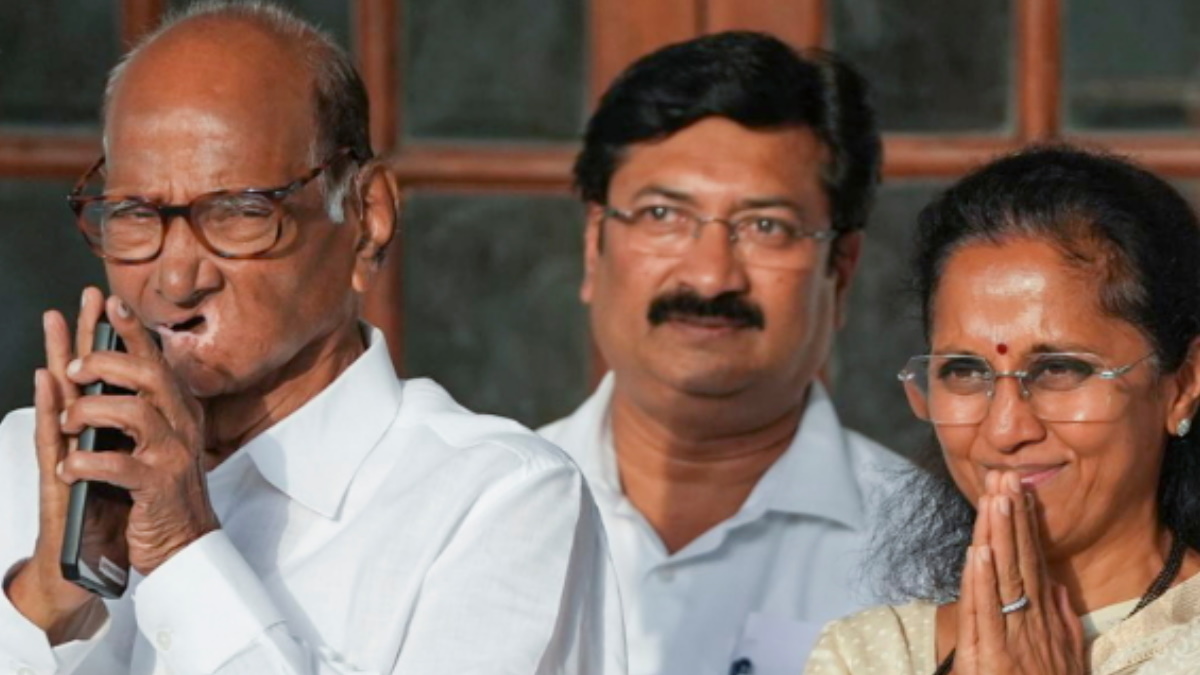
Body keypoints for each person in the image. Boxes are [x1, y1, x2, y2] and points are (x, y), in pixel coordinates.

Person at [0, 2, 625, 673]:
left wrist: (183, 552)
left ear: (367, 215)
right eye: (133, 213)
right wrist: (39, 604)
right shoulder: (27, 463)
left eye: (239, 211)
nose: (176, 278)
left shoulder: (496, 501)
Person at [539, 31, 904, 675]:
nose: (710, 278)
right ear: (594, 246)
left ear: (841, 270)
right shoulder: (476, 510)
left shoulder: (929, 553)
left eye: (766, 226)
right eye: (662, 215)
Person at [804, 145, 1200, 675]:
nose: (1006, 428)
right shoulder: (872, 656)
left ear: (1183, 384)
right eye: (965, 372)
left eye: (1059, 369)